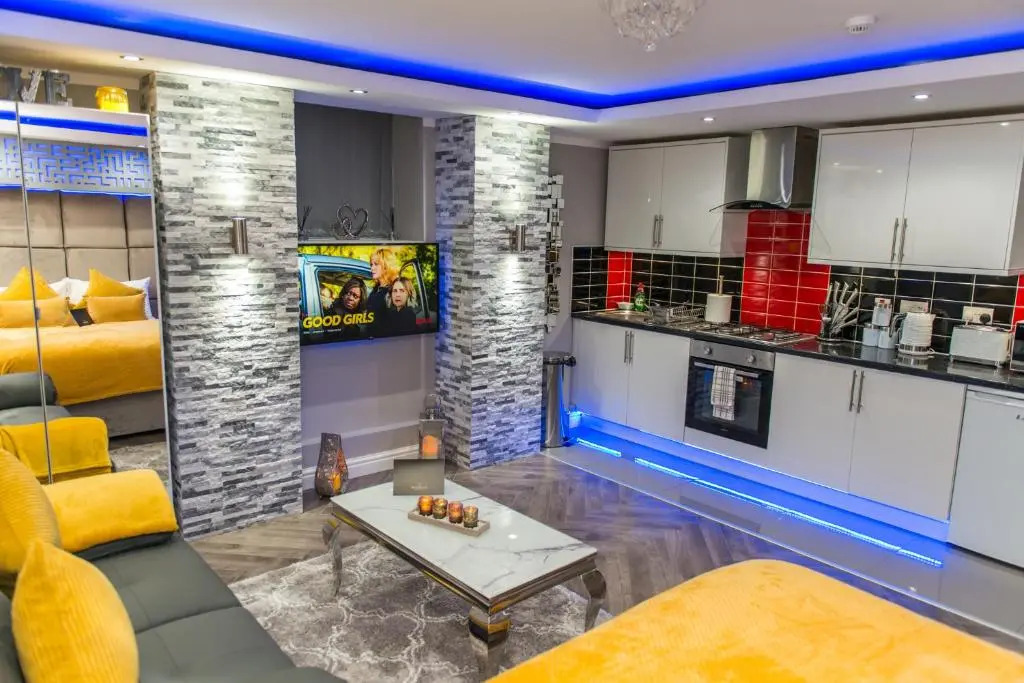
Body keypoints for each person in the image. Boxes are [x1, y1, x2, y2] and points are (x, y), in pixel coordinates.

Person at [366, 247, 399, 336]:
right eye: (371, 265)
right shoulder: (376, 288)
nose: (372, 268)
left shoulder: (394, 291)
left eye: (376, 264)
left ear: (386, 266)